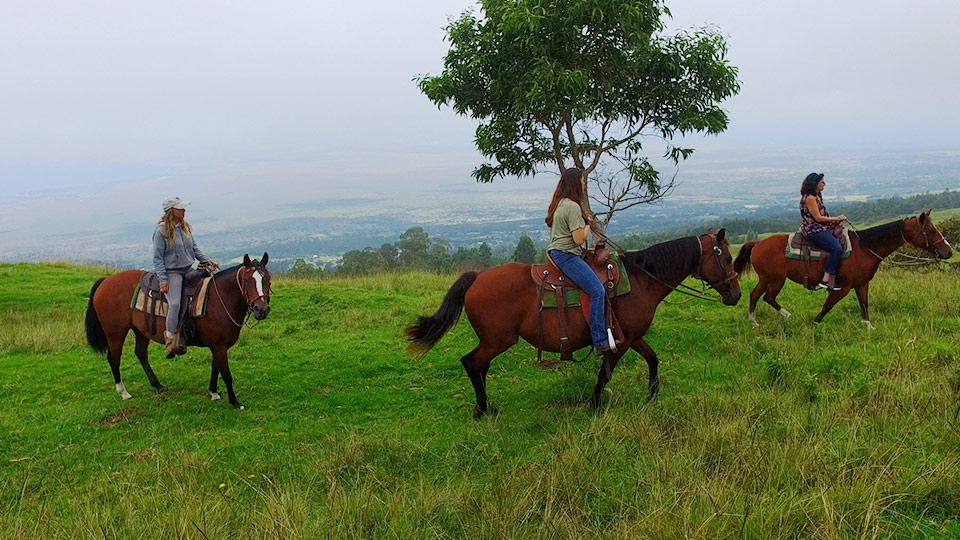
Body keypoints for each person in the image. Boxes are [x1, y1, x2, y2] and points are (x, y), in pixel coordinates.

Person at [546, 167, 614, 354]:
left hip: (558, 252)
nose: (584, 184)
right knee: (597, 291)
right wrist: (587, 225)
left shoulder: (560, 203)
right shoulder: (573, 207)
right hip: (566, 255)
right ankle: (599, 340)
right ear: (576, 183)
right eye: (582, 181)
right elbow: (579, 239)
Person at [153, 196, 218, 358]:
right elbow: (158, 258)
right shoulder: (161, 232)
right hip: (173, 272)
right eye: (180, 208)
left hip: (189, 269)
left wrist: (206, 261)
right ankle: (170, 339)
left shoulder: (185, 227)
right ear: (171, 211)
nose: (184, 210)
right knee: (174, 303)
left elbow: (194, 249)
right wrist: (163, 280)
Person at [799, 172, 847, 290]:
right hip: (814, 229)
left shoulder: (817, 196)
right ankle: (825, 279)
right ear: (815, 184)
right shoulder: (810, 198)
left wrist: (834, 222)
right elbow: (818, 218)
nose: (824, 183)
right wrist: (836, 218)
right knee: (836, 248)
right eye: (822, 182)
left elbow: (823, 215)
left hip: (822, 227)